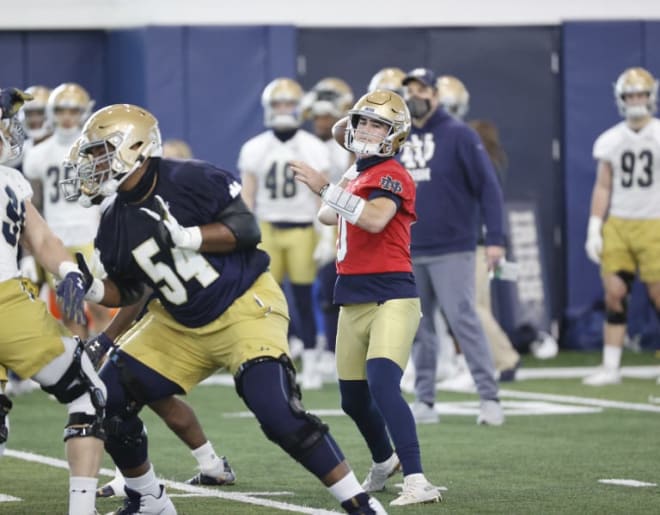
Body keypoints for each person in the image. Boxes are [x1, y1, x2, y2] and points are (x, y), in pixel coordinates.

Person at [63, 103, 387, 515]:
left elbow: (247, 230)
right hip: (177, 322)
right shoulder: (113, 221)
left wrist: (190, 237)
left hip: (241, 305)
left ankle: (359, 503)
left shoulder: (189, 177)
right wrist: (91, 288)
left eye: (100, 153)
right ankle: (148, 498)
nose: (93, 164)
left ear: (135, 147)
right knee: (106, 397)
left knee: (277, 413)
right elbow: (132, 289)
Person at [291, 89, 442, 506]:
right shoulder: (358, 172)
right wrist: (338, 182)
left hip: (391, 294)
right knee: (352, 398)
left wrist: (327, 187)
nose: (366, 129)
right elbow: (327, 214)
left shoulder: (392, 172)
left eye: (378, 124)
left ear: (394, 135)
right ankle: (383, 459)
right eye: (362, 122)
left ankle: (417, 480)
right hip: (353, 295)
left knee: (382, 384)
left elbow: (375, 219)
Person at [0, 86, 106, 515]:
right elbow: (41, 237)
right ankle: (81, 510)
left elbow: (41, 237)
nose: (10, 132)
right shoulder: (9, 179)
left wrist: (65, 271)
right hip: (6, 306)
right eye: (5, 123)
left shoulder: (12, 178)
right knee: (89, 395)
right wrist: (66, 272)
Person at [399, 68, 506, 426]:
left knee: (463, 319)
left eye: (421, 90)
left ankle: (489, 397)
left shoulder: (460, 134)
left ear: (436, 94)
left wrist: (495, 239)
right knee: (418, 327)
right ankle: (425, 400)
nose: (415, 96)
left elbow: (488, 187)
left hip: (453, 247)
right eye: (410, 89)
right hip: (410, 247)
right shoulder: (400, 135)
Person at [238, 78, 331, 390]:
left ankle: (314, 361)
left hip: (303, 228)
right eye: (277, 104)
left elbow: (322, 193)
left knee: (304, 298)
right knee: (267, 299)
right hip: (267, 227)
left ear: (299, 107)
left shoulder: (313, 147)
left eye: (288, 104)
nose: (282, 110)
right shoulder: (255, 148)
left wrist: (327, 233)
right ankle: (275, 355)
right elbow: (248, 196)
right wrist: (246, 233)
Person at [583, 67, 660, 386]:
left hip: (654, 222)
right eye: (631, 95)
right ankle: (611, 365)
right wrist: (594, 226)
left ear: (651, 96)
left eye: (641, 94)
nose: (636, 100)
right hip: (620, 222)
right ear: (621, 99)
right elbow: (603, 186)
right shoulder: (611, 139)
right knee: (614, 293)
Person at [22, 82, 113, 338]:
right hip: (56, 239)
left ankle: (105, 366)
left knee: (99, 307)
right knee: (71, 310)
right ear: (53, 112)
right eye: (62, 110)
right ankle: (80, 371)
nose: (67, 117)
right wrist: (28, 253)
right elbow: (35, 205)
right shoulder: (38, 154)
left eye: (74, 111)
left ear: (84, 112)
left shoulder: (95, 151)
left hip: (90, 236)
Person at [303, 77, 355, 383]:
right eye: (318, 116)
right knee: (321, 294)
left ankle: (339, 352)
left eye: (327, 116)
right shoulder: (307, 145)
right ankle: (324, 349)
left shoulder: (343, 148)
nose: (321, 121)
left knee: (338, 293)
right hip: (316, 222)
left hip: (340, 224)